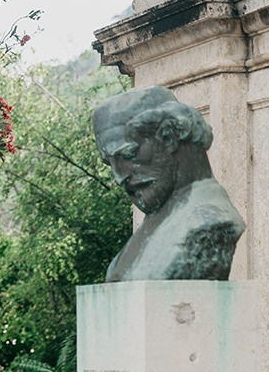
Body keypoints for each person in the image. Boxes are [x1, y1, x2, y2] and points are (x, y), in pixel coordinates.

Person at [92, 85, 245, 281]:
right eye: (109, 163)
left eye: (129, 155)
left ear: (169, 137)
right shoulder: (158, 223)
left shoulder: (207, 224)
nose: (118, 177)